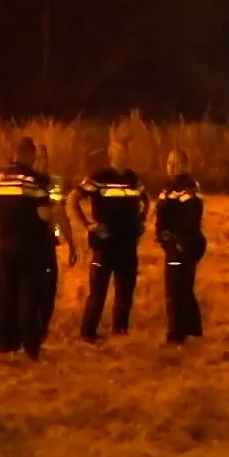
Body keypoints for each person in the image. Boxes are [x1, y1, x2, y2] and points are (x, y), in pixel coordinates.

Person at [0, 137, 55, 359]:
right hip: (29, 245)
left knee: (5, 293)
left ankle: (4, 344)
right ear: (30, 155)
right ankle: (30, 346)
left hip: (2, 245)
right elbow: (45, 213)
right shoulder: (33, 181)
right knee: (29, 295)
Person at [71, 136, 148, 342]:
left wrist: (141, 221)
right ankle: (88, 333)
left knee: (125, 292)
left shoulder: (133, 178)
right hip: (105, 244)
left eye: (125, 152)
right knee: (98, 293)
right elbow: (73, 199)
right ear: (111, 155)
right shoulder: (100, 176)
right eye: (118, 152)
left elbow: (145, 199)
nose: (122, 156)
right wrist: (88, 225)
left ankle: (120, 332)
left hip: (128, 244)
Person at [154, 148, 207, 345]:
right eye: (169, 162)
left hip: (182, 244)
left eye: (177, 162)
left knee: (174, 290)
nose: (172, 166)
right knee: (184, 288)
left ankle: (176, 335)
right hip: (172, 244)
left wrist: (179, 241)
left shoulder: (188, 187)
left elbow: (192, 217)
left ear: (186, 165)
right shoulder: (169, 187)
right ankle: (193, 330)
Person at [32, 144, 78, 340]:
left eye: (45, 157)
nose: (42, 161)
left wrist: (72, 244)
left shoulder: (55, 183)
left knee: (49, 290)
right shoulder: (26, 182)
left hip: (48, 244)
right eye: (38, 157)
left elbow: (61, 214)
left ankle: (41, 331)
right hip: (28, 243)